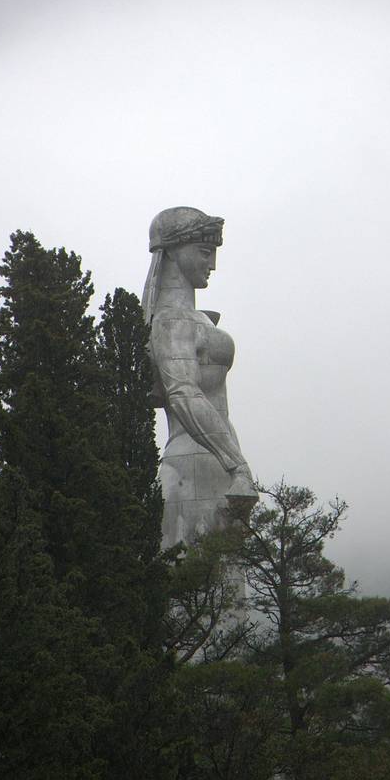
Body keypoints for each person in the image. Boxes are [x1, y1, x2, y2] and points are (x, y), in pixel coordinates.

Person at [142, 206, 257, 550]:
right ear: (174, 252)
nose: (213, 264)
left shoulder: (194, 318)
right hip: (193, 467)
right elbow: (183, 393)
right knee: (198, 574)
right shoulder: (170, 321)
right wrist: (237, 466)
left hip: (215, 460)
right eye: (205, 252)